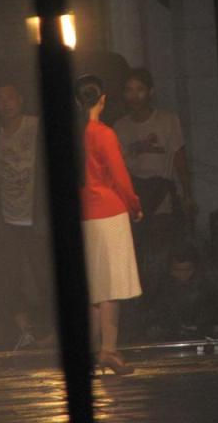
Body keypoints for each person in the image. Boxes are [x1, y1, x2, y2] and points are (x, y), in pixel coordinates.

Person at [113, 69, 195, 333]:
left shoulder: (167, 121)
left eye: (139, 89)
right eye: (129, 90)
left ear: (150, 92)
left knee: (160, 252)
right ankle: (142, 315)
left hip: (161, 193)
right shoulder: (120, 127)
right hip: (134, 196)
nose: (134, 95)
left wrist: (187, 194)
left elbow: (179, 159)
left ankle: (162, 312)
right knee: (137, 255)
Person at [75, 74, 144, 374]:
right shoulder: (102, 133)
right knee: (110, 287)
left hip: (83, 213)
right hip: (108, 211)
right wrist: (134, 205)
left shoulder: (71, 135)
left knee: (94, 287)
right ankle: (109, 350)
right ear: (102, 99)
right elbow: (119, 175)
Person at [0, 83, 53, 349]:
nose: (6, 103)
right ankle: (25, 330)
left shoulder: (35, 126)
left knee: (44, 275)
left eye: (10, 98)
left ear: (20, 99)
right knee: (9, 276)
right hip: (8, 217)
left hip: (36, 215)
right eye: (0, 99)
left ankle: (52, 331)